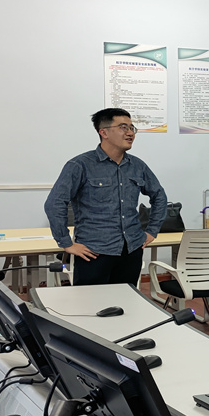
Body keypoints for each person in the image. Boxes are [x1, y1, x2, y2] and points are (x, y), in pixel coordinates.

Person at [44, 108, 166, 286]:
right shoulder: (80, 165)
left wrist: (152, 230)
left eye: (132, 128)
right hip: (94, 252)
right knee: (90, 301)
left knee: (126, 299)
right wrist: (66, 243)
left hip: (131, 249)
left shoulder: (137, 166)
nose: (130, 133)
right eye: (123, 127)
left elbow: (159, 196)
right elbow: (55, 203)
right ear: (104, 132)